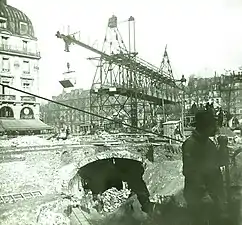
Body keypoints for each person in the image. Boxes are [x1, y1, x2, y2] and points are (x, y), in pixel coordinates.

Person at [182, 110, 228, 225]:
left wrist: (223, 147)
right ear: (205, 126)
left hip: (212, 194)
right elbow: (189, 171)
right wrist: (203, 193)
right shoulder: (190, 144)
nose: (215, 129)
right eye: (212, 126)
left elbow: (221, 162)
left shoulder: (209, 143)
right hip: (198, 196)